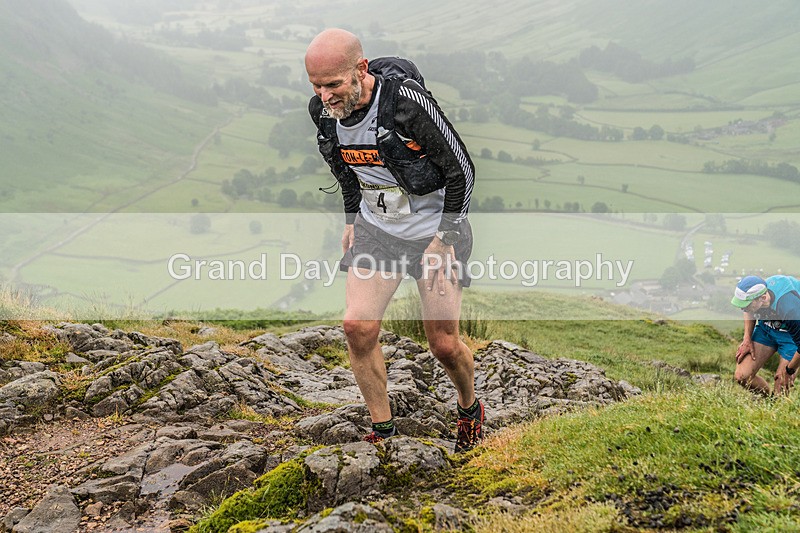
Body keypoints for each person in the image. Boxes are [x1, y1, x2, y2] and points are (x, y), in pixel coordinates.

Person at [304, 28, 483, 452]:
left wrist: (444, 239)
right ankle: (383, 433)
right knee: (357, 327)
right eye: (315, 86)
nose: (324, 97)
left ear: (360, 70)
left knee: (443, 345)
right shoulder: (323, 111)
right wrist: (351, 217)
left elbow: (463, 171)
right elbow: (345, 167)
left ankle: (469, 407)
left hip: (434, 234)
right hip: (377, 232)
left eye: (333, 84)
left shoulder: (404, 104)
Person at [731, 275, 800, 395]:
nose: (743, 308)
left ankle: (777, 404)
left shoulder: (789, 307)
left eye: (746, 304)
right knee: (741, 376)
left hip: (791, 336)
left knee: (782, 383)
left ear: (762, 298)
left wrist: (790, 370)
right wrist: (747, 339)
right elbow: (748, 311)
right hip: (767, 328)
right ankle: (768, 399)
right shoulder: (759, 292)